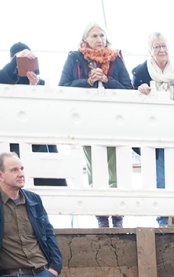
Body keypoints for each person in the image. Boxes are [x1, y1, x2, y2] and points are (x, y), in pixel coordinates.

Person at [62, 23, 132, 227]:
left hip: (115, 120)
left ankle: (118, 214)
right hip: (87, 119)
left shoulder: (115, 58)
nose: (99, 39)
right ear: (85, 39)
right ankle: (101, 214)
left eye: (102, 35)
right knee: (94, 167)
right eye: (94, 35)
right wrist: (88, 82)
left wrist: (107, 80)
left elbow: (127, 88)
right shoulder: (75, 57)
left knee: (116, 166)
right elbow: (64, 86)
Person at [132, 33, 174, 196]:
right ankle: (163, 218)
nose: (162, 50)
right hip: (152, 131)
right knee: (158, 177)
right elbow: (131, 98)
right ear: (150, 50)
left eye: (164, 46)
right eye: (157, 46)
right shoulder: (140, 72)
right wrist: (139, 91)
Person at [0, 44, 64, 187]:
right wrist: (17, 59)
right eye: (20, 59)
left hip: (39, 137)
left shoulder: (42, 83)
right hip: (12, 136)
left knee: (46, 178)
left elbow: (49, 111)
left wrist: (34, 88)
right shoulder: (6, 79)